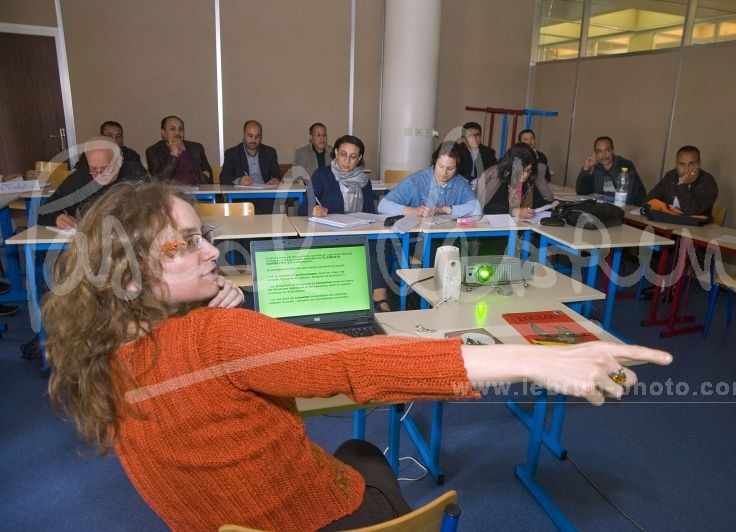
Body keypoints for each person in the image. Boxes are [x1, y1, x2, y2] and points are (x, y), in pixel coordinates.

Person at [42, 180, 672, 531]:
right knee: (364, 453)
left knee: (351, 448)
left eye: (202, 235)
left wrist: (201, 315)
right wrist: (534, 360)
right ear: (130, 275)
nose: (210, 251)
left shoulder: (98, 355)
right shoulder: (214, 338)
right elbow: (357, 364)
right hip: (318, 520)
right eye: (182, 245)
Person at [297, 135, 390, 311]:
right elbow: (303, 207)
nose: (347, 161)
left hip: (358, 231)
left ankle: (380, 297)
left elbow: (369, 211)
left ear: (359, 158)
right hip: (329, 233)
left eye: (353, 156)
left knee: (380, 241)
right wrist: (313, 209)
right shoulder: (322, 175)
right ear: (336, 153)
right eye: (343, 154)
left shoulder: (364, 181)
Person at [38, 136, 148, 228]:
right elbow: (42, 212)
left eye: (105, 168)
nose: (99, 174)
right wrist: (56, 218)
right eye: (93, 169)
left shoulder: (135, 173)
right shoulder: (80, 179)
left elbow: (153, 205)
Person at [378, 141, 481, 218]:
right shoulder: (415, 181)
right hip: (419, 236)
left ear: (457, 168)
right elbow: (383, 205)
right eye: (441, 166)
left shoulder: (461, 183)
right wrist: (414, 211)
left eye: (450, 168)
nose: (444, 173)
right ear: (435, 162)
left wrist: (443, 209)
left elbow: (476, 208)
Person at [219, 120, 282, 213]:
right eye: (250, 136)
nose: (253, 140)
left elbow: (277, 174)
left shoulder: (270, 152)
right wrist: (239, 181)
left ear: (261, 137)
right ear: (243, 135)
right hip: (241, 196)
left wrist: (275, 179)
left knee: (273, 210)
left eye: (257, 137)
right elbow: (224, 177)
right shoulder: (232, 153)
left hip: (265, 196)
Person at [476, 144, 549, 217]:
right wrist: (514, 211)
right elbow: (487, 207)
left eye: (528, 170)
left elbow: (538, 203)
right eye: (522, 170)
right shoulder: (498, 176)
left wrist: (551, 206)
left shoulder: (528, 181)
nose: (525, 175)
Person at [645, 145, 718, 217]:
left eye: (691, 164)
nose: (686, 169)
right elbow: (649, 200)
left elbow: (692, 211)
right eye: (682, 164)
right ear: (676, 164)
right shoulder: (671, 176)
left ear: (699, 164)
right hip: (667, 221)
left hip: (694, 223)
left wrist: (682, 185)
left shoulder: (707, 181)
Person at [575, 136, 645, 206]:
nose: (604, 155)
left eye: (607, 150)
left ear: (612, 150)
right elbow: (582, 191)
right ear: (595, 154)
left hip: (632, 208)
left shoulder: (625, 166)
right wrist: (586, 169)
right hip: (607, 207)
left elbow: (628, 199)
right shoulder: (598, 168)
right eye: (599, 151)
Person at [146, 115, 212, 185]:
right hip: (171, 191)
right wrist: (174, 155)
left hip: (198, 189)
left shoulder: (196, 148)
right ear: (164, 133)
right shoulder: (153, 151)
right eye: (172, 129)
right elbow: (159, 181)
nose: (177, 133)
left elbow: (208, 174)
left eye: (180, 129)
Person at [75, 121, 145, 173]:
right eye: (109, 136)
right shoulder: (89, 156)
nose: (114, 139)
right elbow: (81, 179)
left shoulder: (131, 155)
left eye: (118, 136)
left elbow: (141, 178)